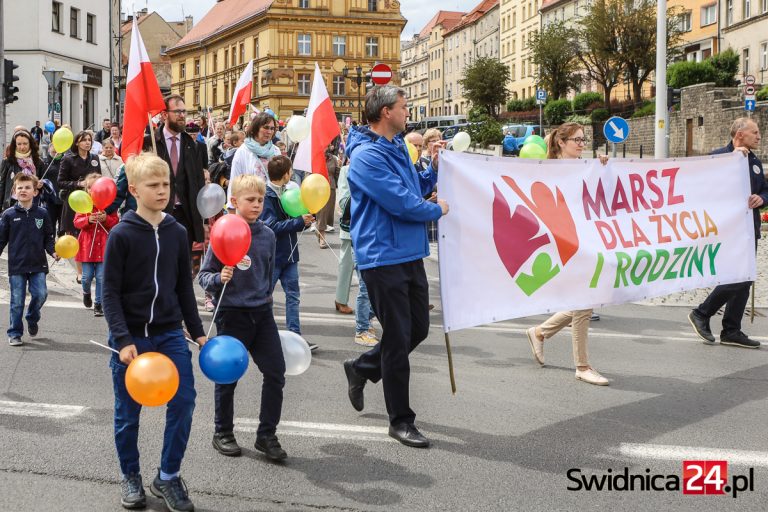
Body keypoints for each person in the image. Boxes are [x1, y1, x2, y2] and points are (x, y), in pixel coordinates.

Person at [342, 86, 448, 448]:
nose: (408, 112)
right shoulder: (366, 157)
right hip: (381, 254)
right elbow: (402, 203)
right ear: (386, 112)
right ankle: (400, 420)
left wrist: (435, 166)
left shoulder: (398, 147)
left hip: (408, 251)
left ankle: (362, 368)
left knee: (416, 329)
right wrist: (437, 210)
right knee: (399, 337)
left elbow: (415, 187)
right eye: (404, 107)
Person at [102, 153, 206, 511]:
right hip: (130, 338)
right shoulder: (121, 234)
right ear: (133, 190)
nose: (162, 190)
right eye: (154, 185)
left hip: (169, 334)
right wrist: (122, 339)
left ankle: (167, 475)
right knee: (127, 413)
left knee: (184, 401)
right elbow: (109, 293)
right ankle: (130, 475)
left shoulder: (178, 232)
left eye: (166, 184)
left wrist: (198, 331)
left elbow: (183, 288)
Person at [198, 174, 289, 461]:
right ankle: (222, 431)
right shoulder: (223, 231)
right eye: (250, 200)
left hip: (261, 314)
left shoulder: (268, 235)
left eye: (261, 200)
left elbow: (269, 271)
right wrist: (217, 278)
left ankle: (267, 435)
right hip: (232, 315)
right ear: (234, 201)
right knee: (227, 377)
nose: (257, 205)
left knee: (275, 372)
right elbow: (203, 276)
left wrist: (265, 297)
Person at [524, 122, 609, 386]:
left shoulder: (585, 167)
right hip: (564, 242)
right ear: (561, 142)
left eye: (584, 139)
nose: (582, 144)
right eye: (577, 140)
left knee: (583, 301)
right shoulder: (549, 170)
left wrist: (603, 167)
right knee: (584, 300)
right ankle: (582, 365)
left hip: (586, 240)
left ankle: (539, 332)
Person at [688, 117, 768, 349]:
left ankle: (731, 330)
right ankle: (702, 313)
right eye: (755, 132)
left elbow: (765, 190)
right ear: (740, 134)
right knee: (740, 276)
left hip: (748, 229)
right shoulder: (718, 157)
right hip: (725, 229)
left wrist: (760, 198)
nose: (759, 136)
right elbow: (702, 188)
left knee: (745, 278)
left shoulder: (754, 161)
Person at [261, 155, 317, 351]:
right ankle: (265, 337)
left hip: (290, 254)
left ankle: (295, 337)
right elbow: (272, 226)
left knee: (293, 296)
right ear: (286, 174)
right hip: (274, 256)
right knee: (266, 297)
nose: (292, 174)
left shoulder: (290, 191)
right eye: (290, 170)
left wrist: (307, 218)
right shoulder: (266, 195)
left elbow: (295, 216)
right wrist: (300, 221)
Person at [0, 173, 58, 346]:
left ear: (35, 192)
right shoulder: (8, 215)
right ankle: (15, 332)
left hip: (38, 263)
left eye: (27, 187)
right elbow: (1, 239)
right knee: (17, 301)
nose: (23, 190)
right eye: (20, 187)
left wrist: (53, 251)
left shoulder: (42, 213)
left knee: (41, 294)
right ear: (14, 191)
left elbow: (48, 237)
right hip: (17, 265)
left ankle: (32, 317)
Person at [142, 94, 206, 250]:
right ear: (164, 115)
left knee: (183, 264)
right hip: (159, 211)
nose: (182, 116)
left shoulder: (193, 145)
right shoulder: (151, 143)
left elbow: (198, 182)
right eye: (177, 112)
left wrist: (200, 222)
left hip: (186, 214)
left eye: (184, 111)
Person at [336, 157, 379, 346]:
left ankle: (367, 319)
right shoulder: (348, 172)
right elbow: (345, 203)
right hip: (356, 234)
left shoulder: (378, 172)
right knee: (361, 281)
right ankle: (361, 326)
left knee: (375, 285)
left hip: (374, 236)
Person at [73, 173, 118, 317]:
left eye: (95, 187)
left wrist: (106, 219)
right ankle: (86, 293)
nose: (92, 190)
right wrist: (88, 219)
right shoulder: (83, 205)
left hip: (104, 246)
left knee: (101, 277)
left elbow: (115, 221)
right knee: (86, 277)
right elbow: (76, 222)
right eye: (89, 188)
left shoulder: (109, 205)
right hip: (87, 247)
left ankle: (98, 304)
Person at [227, 113, 281, 209]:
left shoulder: (276, 150)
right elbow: (234, 181)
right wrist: (232, 208)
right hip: (251, 205)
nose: (269, 131)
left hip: (273, 205)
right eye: (266, 127)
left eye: (272, 128)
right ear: (256, 128)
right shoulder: (243, 151)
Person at [0, 130, 44, 209]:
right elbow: (2, 184)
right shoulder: (7, 161)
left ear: (30, 143)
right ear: (15, 145)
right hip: (12, 203)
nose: (22, 147)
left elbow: (43, 181)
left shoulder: (38, 161)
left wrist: (41, 185)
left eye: (25, 143)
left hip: (33, 202)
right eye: (19, 144)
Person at [315, 144, 340, 248]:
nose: (325, 147)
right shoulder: (315, 158)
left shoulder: (333, 159)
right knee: (322, 213)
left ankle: (319, 229)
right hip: (317, 189)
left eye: (327, 145)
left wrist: (339, 167)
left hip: (331, 188)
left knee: (327, 214)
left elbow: (337, 174)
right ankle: (322, 237)